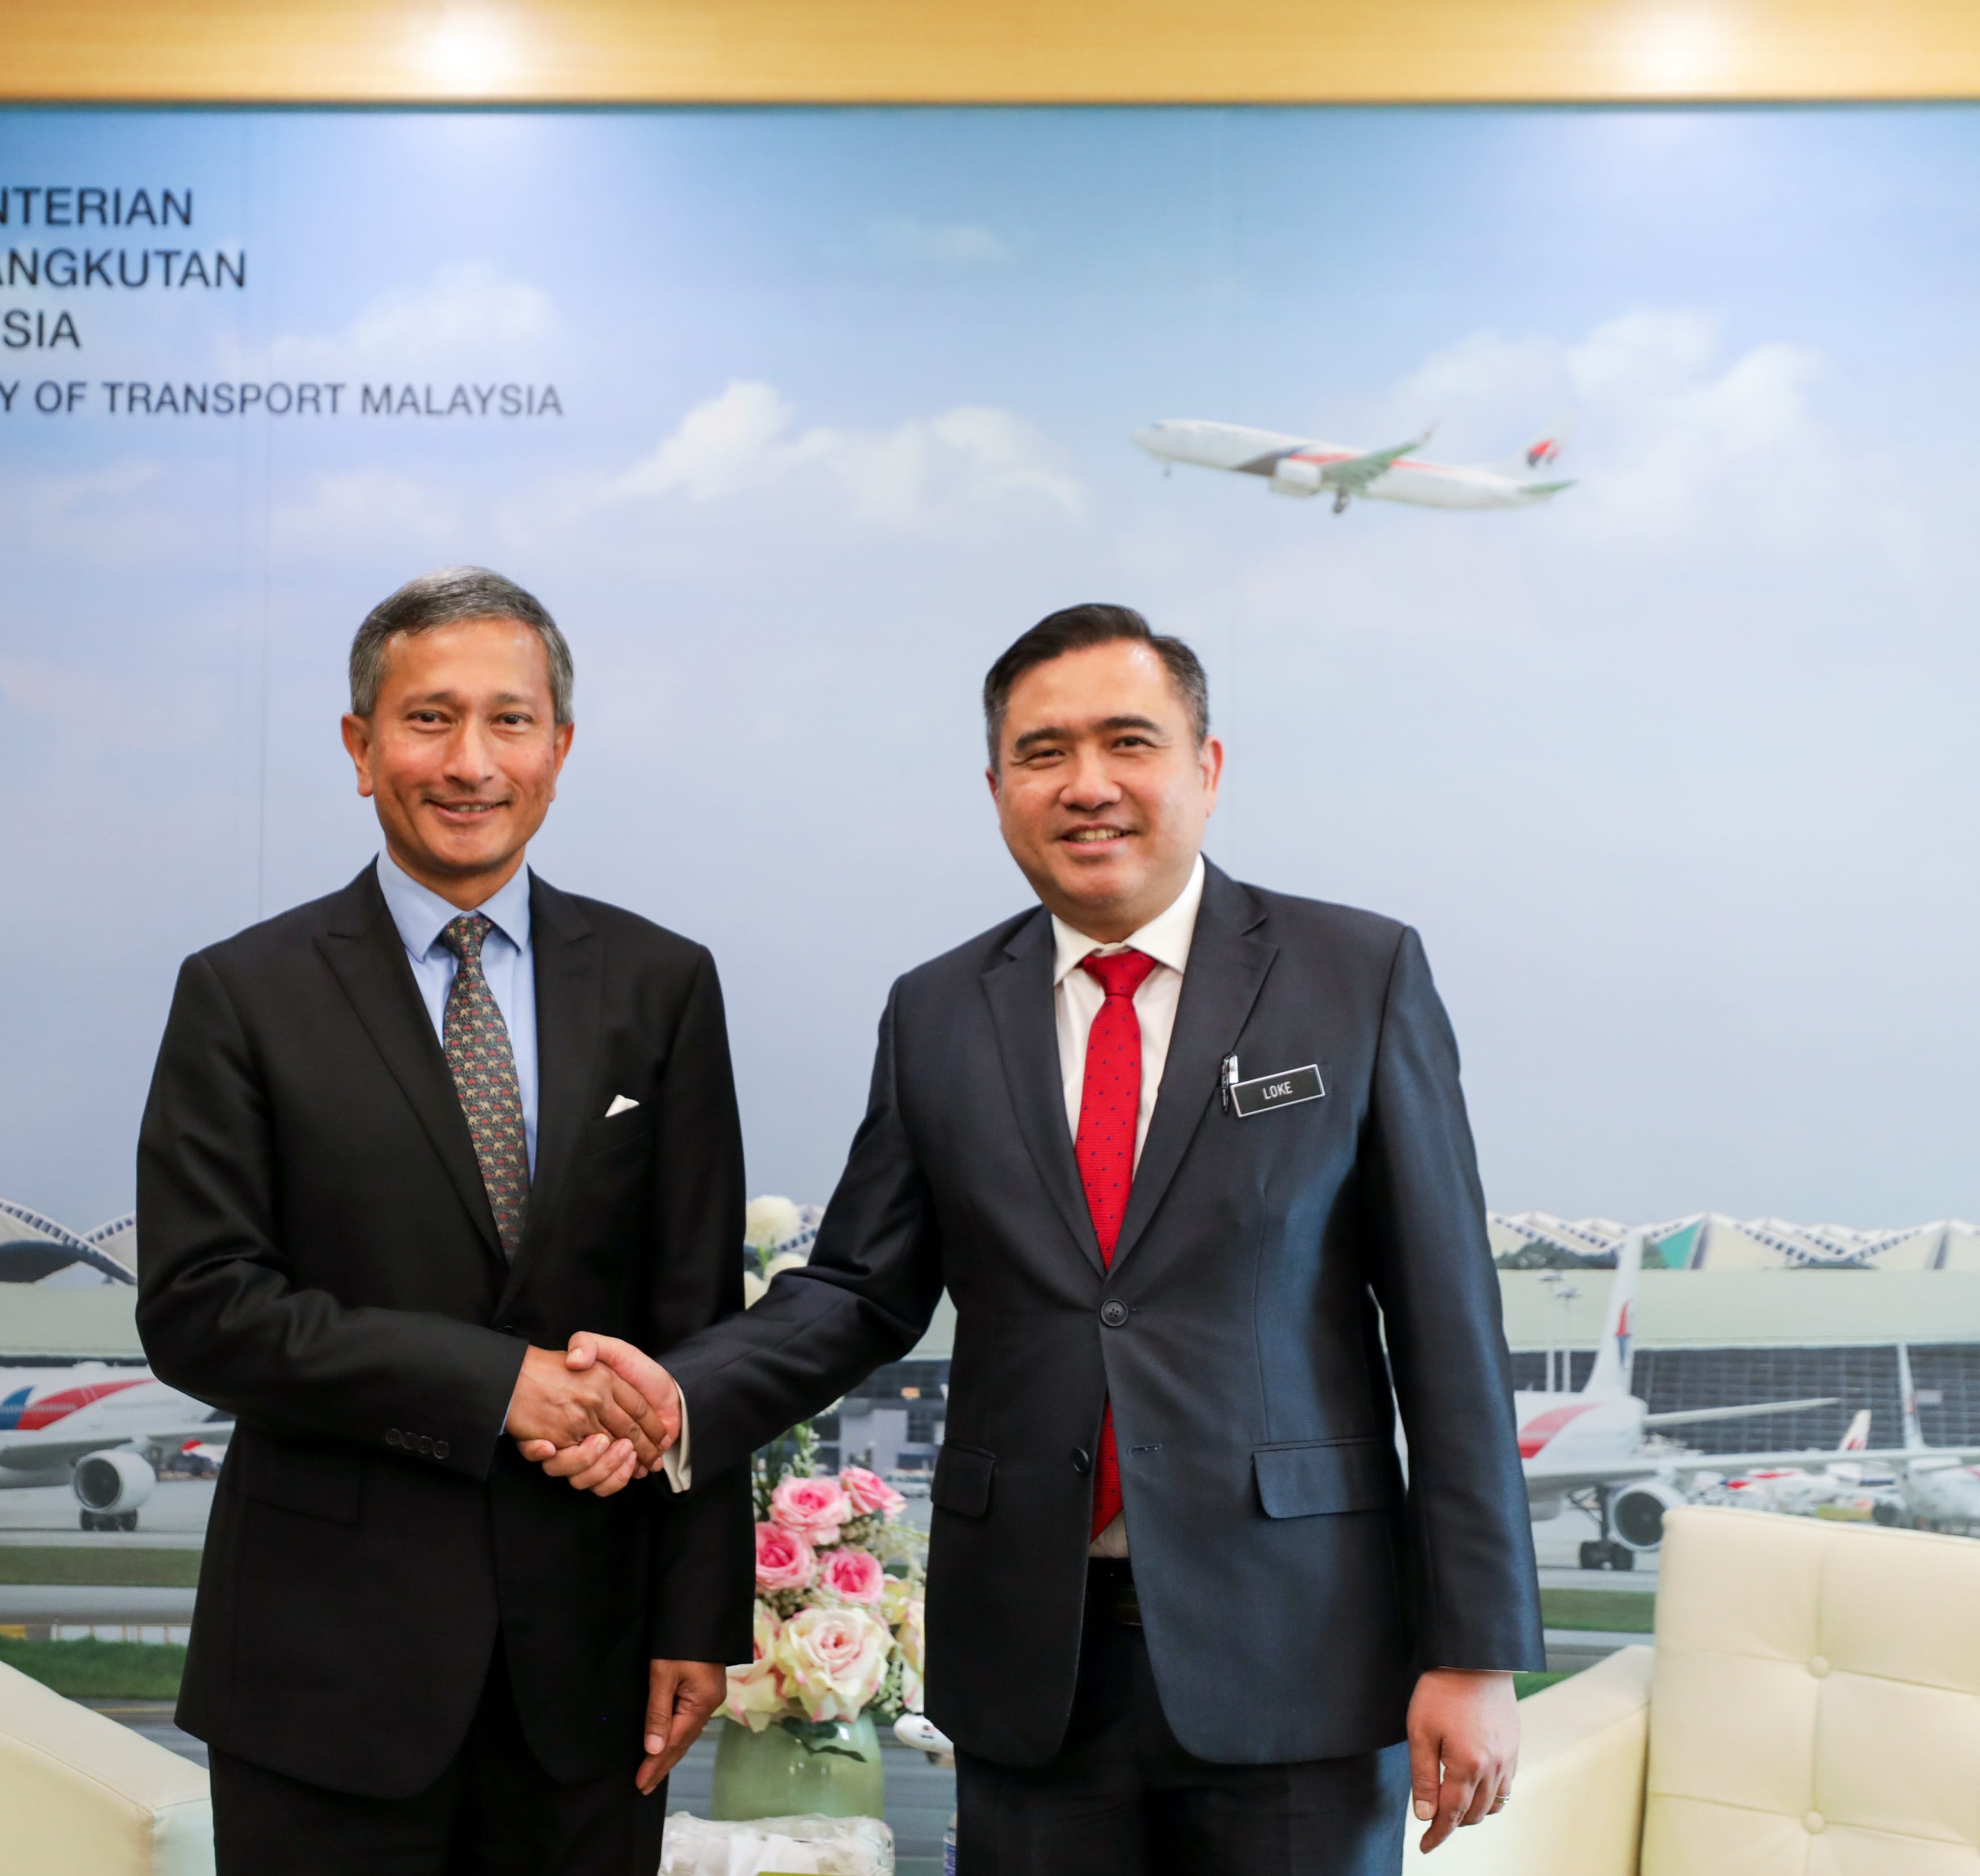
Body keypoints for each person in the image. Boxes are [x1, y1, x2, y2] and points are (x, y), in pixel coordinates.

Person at [534, 603, 1543, 1874]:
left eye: (1130, 741)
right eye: (1042, 752)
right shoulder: (940, 1011)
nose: (1089, 785)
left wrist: (1473, 1649)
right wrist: (676, 1395)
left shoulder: (1357, 975)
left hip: (1301, 1649)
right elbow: (856, 1291)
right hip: (1032, 1660)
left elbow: (1450, 1330)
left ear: (1207, 769)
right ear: (999, 787)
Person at [136, 567, 752, 1874]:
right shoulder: (242, 994)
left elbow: (703, 1331)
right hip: (321, 1680)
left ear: (561, 749)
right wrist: (497, 1386)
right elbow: (200, 1308)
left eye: (511, 721)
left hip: (585, 1681)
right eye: (429, 721)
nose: (471, 762)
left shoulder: (663, 985)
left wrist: (699, 1618)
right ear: (361, 749)